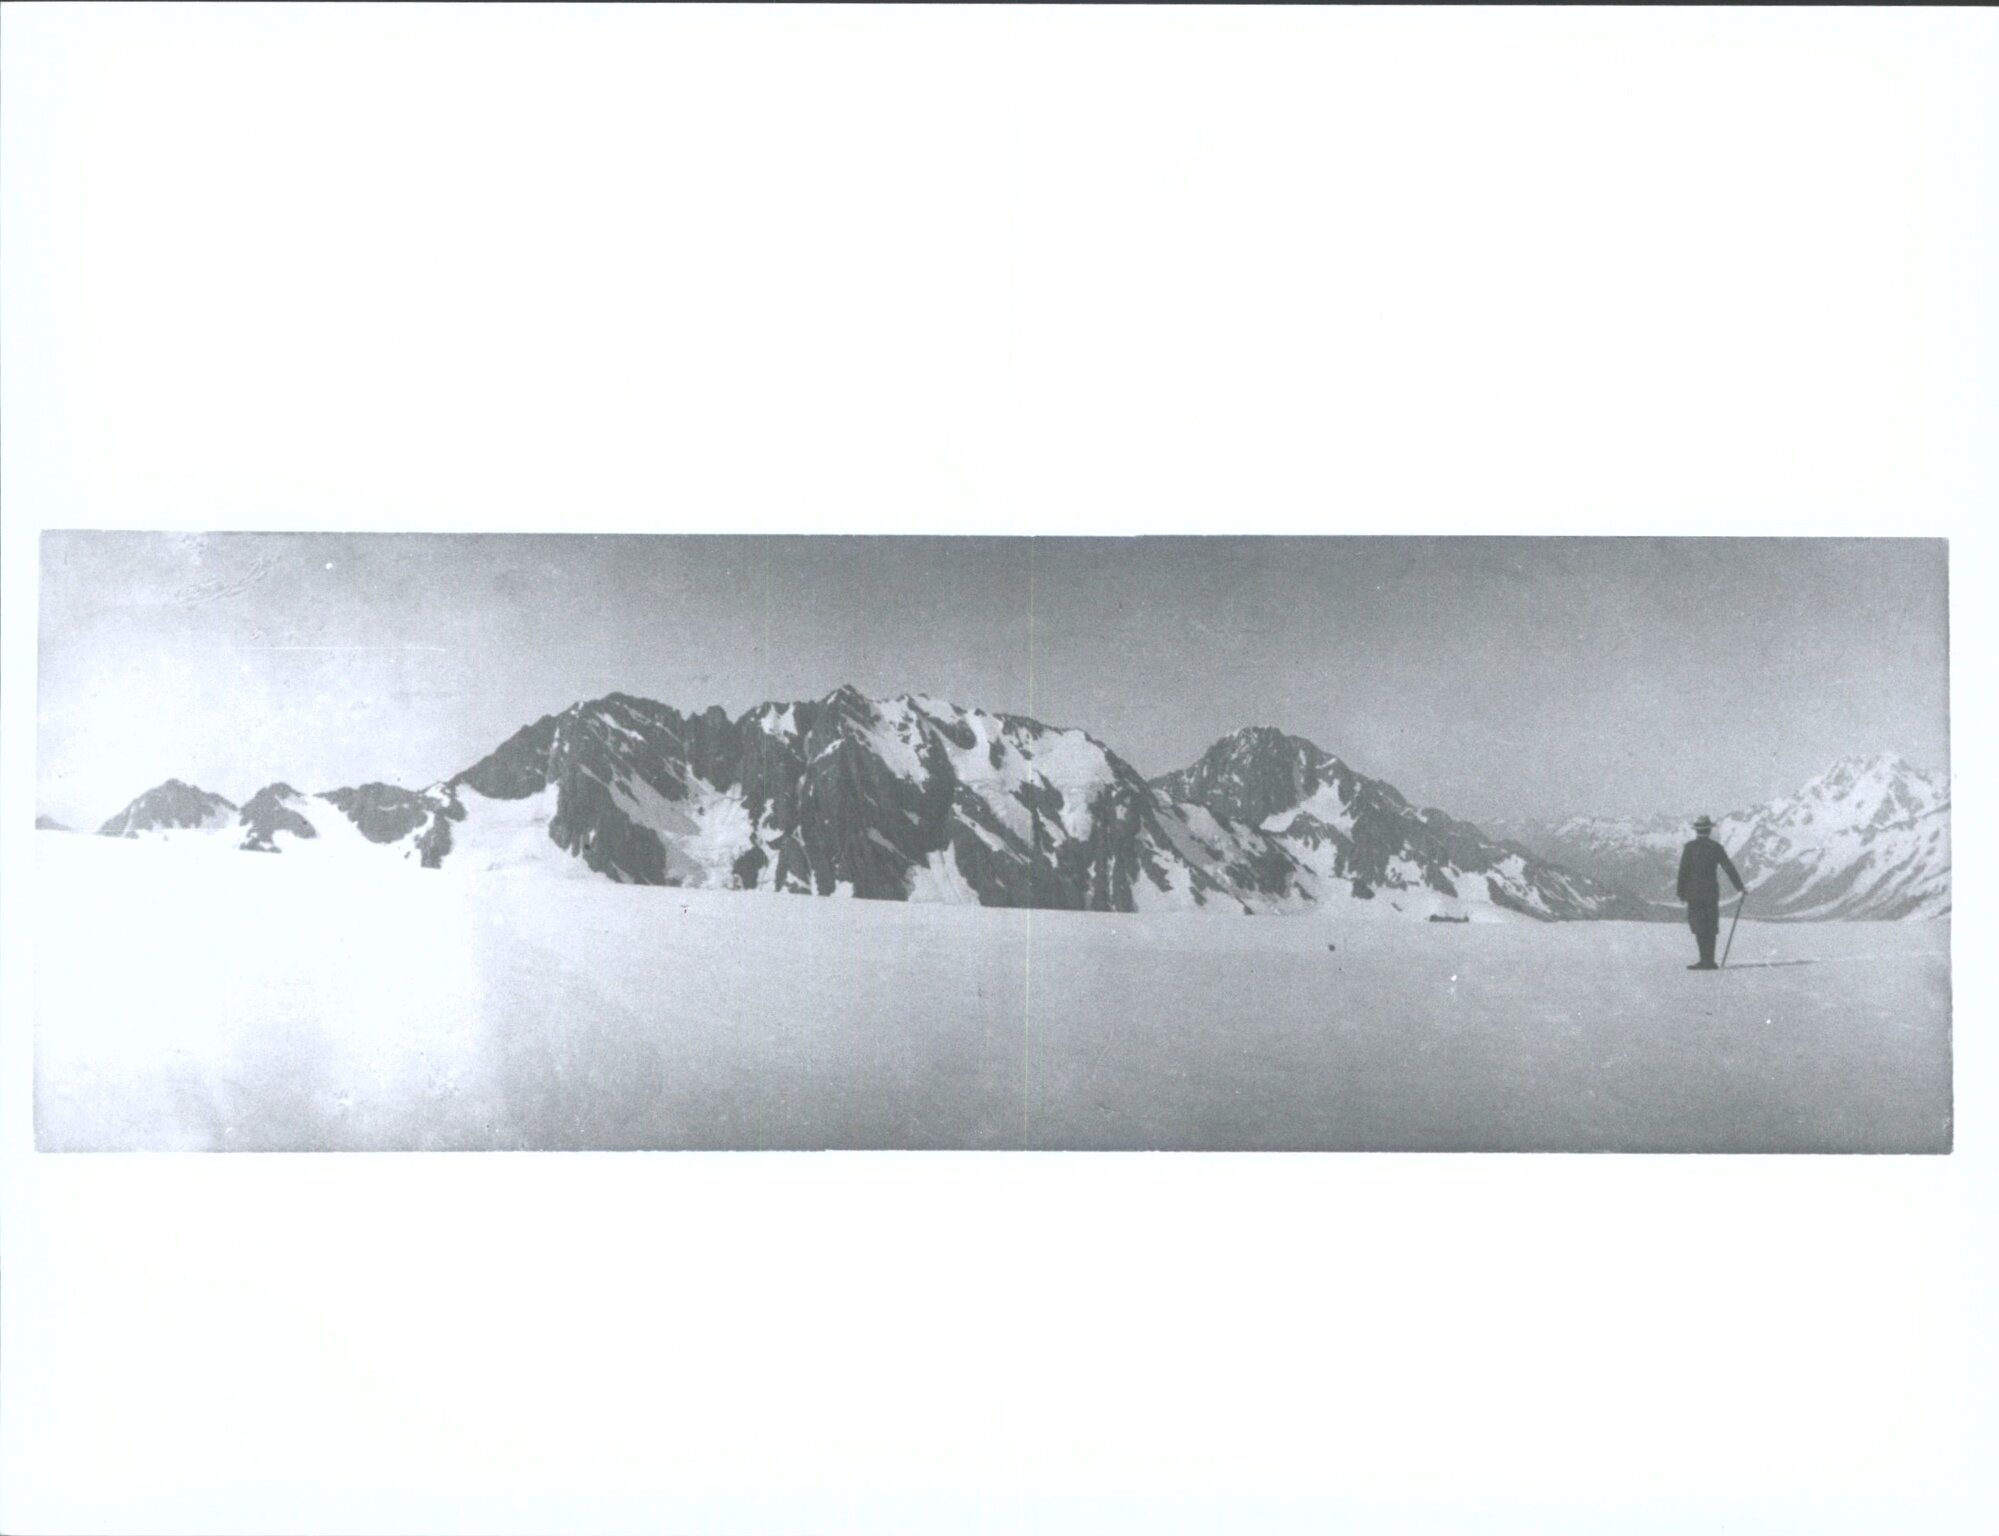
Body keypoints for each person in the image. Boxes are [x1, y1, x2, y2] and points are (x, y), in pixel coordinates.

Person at [1676, 815, 1745, 970]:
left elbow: (1683, 871)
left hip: (1693, 892)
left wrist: (1681, 892)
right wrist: (1740, 887)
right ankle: (1710, 961)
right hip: (1711, 892)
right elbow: (1729, 868)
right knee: (1710, 925)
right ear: (1709, 830)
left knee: (1699, 926)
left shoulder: (1690, 847)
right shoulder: (1716, 847)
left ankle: (1703, 960)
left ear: (1696, 831)